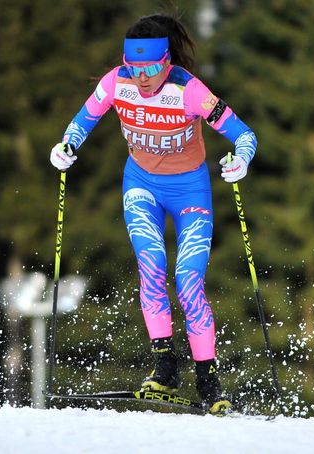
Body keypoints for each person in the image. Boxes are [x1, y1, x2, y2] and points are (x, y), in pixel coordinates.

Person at [49, 12, 257, 415]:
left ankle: (207, 378)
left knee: (189, 281)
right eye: (134, 67)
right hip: (141, 185)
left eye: (149, 68)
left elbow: (243, 134)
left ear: (166, 62)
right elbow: (82, 121)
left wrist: (242, 159)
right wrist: (66, 147)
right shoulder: (116, 82)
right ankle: (165, 367)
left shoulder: (189, 91)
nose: (141, 78)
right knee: (151, 265)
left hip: (190, 192)